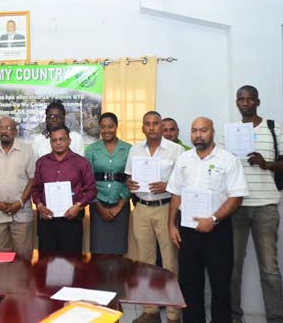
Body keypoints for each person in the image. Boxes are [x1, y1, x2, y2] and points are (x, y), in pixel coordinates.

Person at [167, 117, 248, 323]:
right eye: (194, 131)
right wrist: (171, 224)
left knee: (220, 284)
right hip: (188, 231)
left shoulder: (228, 160)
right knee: (189, 283)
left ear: (212, 132)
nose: (198, 135)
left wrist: (213, 219)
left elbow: (236, 197)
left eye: (203, 130)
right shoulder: (184, 159)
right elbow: (176, 194)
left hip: (217, 231)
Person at [228, 85, 283, 323]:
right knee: (232, 269)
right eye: (241, 99)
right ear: (237, 102)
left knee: (269, 268)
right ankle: (234, 317)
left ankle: (276, 319)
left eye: (250, 99)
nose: (245, 103)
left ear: (257, 101)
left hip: (266, 207)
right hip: (236, 207)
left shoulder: (274, 128)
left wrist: (267, 164)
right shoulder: (231, 131)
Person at [125, 111, 184, 323]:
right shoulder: (134, 150)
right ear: (143, 127)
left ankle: (173, 315)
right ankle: (150, 310)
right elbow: (130, 178)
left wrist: (167, 186)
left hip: (165, 208)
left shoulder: (176, 150)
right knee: (145, 262)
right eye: (147, 124)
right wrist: (129, 184)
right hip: (140, 208)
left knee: (169, 263)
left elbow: (184, 183)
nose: (152, 128)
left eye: (155, 124)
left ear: (161, 126)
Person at [31, 125, 96, 254]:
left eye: (62, 139)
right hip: (47, 220)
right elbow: (35, 189)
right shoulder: (42, 163)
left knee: (71, 264)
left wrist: (79, 206)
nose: (58, 143)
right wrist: (39, 205)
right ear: (50, 142)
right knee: (46, 264)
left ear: (69, 140)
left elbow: (92, 191)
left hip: (72, 221)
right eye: (54, 140)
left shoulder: (81, 163)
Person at [0, 117, 36, 252]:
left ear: (15, 131)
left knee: (24, 256)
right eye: (1, 128)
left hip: (21, 213)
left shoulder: (27, 150)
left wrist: (19, 203)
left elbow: (33, 180)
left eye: (8, 128)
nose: (4, 131)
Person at [85, 112, 132, 255]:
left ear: (116, 127)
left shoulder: (129, 149)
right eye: (103, 127)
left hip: (121, 205)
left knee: (118, 250)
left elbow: (131, 180)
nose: (107, 130)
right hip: (98, 204)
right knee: (99, 250)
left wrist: (119, 206)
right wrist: (99, 207)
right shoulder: (92, 149)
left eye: (110, 126)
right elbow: (88, 182)